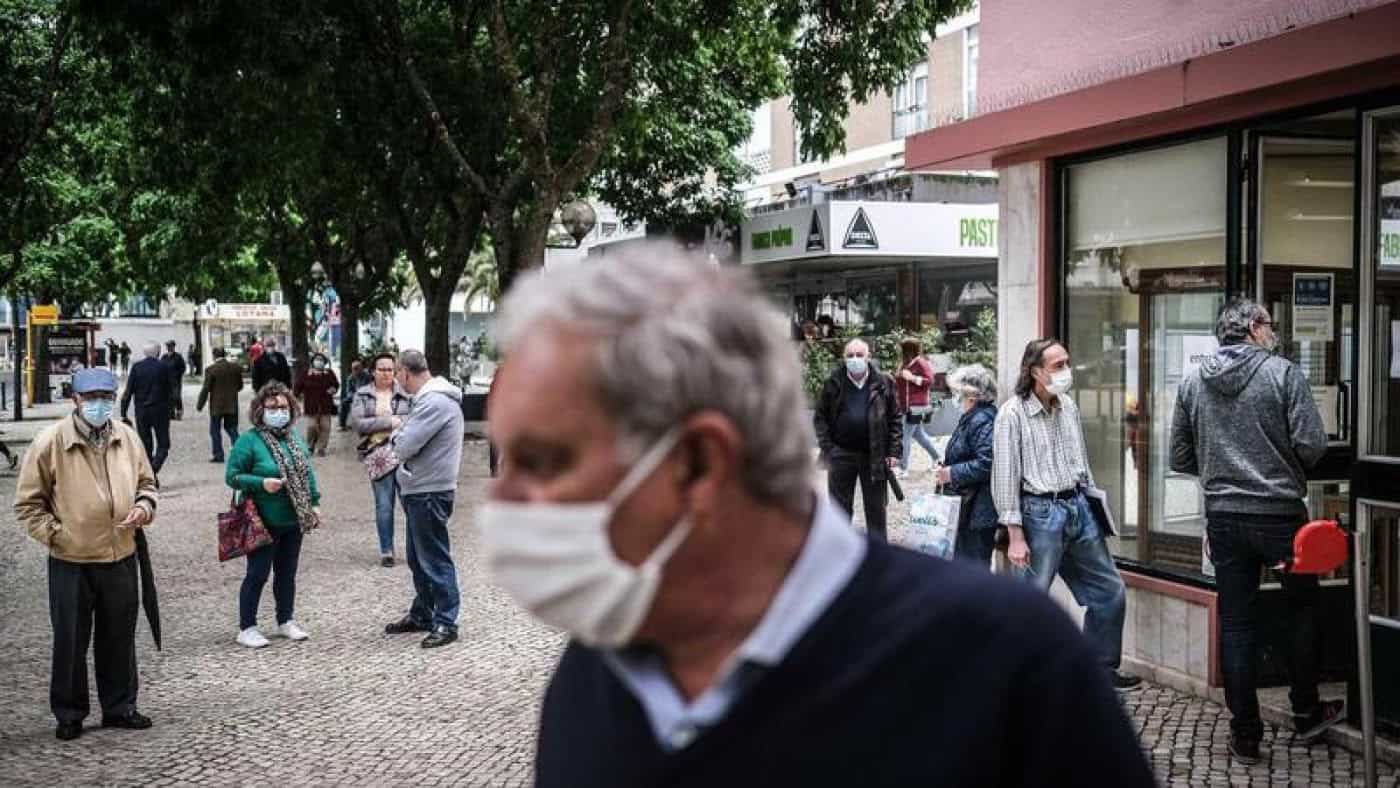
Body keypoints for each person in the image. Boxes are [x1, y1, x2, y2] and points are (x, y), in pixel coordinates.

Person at [481, 257, 1155, 787]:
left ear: (696, 464)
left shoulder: (1005, 662)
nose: (501, 501)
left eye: (543, 460)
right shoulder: (594, 678)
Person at [1170, 299, 1341, 765]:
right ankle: (1306, 711)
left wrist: (1221, 468)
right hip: (1280, 517)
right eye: (1268, 323)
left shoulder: (1193, 381)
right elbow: (1312, 445)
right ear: (1251, 327)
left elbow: (1179, 457)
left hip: (1224, 518)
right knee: (1301, 611)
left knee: (1238, 624)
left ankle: (1246, 734)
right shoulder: (1283, 374)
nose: (1273, 330)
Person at [15, 367, 159, 741]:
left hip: (121, 554)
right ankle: (69, 712)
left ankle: (120, 706)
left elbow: (147, 483)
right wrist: (57, 535)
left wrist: (144, 507)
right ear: (75, 400)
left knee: (119, 638)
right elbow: (28, 504)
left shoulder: (127, 437)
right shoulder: (50, 443)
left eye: (106, 398)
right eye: (91, 398)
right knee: (70, 640)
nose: (99, 404)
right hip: (72, 560)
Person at [992, 338, 1140, 691]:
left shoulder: (1069, 406)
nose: (1066, 371)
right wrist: (1015, 534)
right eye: (1058, 365)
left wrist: (1091, 502)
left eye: (1067, 362)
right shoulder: (1012, 414)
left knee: (1110, 592)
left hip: (1077, 508)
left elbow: (1081, 461)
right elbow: (1005, 475)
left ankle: (1099, 670)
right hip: (1038, 513)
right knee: (1030, 601)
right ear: (1035, 372)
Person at [224, 382, 321, 649]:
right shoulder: (249, 441)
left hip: (293, 519)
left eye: (283, 407)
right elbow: (232, 476)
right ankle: (247, 626)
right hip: (262, 520)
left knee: (287, 573)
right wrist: (260, 483)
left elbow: (307, 473)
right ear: (259, 411)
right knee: (257, 574)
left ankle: (285, 619)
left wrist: (314, 503)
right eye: (271, 407)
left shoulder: (295, 439)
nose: (278, 411)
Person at [383, 349, 464, 649]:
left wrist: (395, 434)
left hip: (429, 490)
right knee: (419, 558)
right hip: (422, 488)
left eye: (397, 374)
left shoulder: (433, 401)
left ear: (405, 372)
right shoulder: (433, 400)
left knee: (433, 558)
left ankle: (446, 621)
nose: (396, 381)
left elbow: (404, 445)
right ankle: (424, 612)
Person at [812, 338, 900, 542]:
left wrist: (894, 451)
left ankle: (879, 560)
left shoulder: (883, 382)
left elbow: (895, 417)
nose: (855, 359)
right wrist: (829, 449)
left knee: (876, 510)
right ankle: (839, 554)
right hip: (841, 454)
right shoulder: (833, 382)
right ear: (844, 358)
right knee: (839, 511)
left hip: (874, 455)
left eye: (859, 355)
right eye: (850, 355)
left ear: (869, 357)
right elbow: (820, 418)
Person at [935, 364, 1000, 567]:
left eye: (957, 393)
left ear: (971, 395)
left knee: (974, 568)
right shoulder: (972, 417)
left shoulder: (982, 420)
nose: (955, 398)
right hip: (967, 508)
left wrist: (952, 473)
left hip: (977, 512)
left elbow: (987, 462)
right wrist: (947, 465)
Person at [352, 352, 413, 567]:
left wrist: (388, 422)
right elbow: (359, 424)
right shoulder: (363, 394)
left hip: (404, 454)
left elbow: (414, 420)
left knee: (411, 504)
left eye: (390, 369)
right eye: (382, 369)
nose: (386, 373)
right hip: (377, 454)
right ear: (373, 371)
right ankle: (387, 550)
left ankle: (415, 549)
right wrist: (391, 421)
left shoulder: (406, 393)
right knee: (384, 505)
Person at [119, 342, 171, 474]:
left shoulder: (137, 367)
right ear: (157, 352)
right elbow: (170, 389)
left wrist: (123, 412)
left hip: (141, 411)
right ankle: (153, 470)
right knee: (163, 444)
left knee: (145, 444)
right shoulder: (164, 367)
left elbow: (128, 391)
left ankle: (149, 473)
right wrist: (174, 407)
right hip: (160, 410)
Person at [894, 337, 938, 476]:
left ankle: (903, 468)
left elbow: (930, 380)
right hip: (906, 406)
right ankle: (938, 458)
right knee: (919, 435)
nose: (899, 351)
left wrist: (912, 378)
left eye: (901, 349)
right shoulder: (905, 364)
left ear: (908, 349)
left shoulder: (920, 362)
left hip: (916, 406)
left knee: (904, 436)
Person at [197, 346, 244, 463]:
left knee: (215, 431)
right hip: (231, 404)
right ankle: (241, 452)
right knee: (232, 429)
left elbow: (206, 389)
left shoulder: (211, 370)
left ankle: (218, 454)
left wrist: (200, 405)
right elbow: (240, 386)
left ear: (214, 356)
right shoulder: (235, 368)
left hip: (216, 406)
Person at [293, 352, 339, 457]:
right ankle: (310, 446)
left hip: (325, 405)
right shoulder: (306, 373)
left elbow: (335, 384)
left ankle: (322, 447)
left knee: (325, 427)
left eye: (321, 360)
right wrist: (296, 396)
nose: (319, 361)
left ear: (325, 362)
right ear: (313, 361)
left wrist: (334, 389)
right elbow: (297, 387)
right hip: (311, 405)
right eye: (317, 359)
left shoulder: (329, 373)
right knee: (311, 427)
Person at [339, 358, 372, 431]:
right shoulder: (350, 378)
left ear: (361, 368)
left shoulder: (368, 376)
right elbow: (349, 391)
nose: (355, 370)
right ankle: (342, 425)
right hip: (355, 396)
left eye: (357, 368)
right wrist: (354, 396)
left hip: (366, 396)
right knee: (344, 403)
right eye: (354, 368)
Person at [161, 340, 187, 421]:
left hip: (176, 381)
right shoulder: (164, 357)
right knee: (168, 397)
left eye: (170, 346)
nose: (169, 348)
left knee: (176, 397)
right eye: (168, 346)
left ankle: (179, 412)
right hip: (166, 381)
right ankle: (171, 413)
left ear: (173, 347)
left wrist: (177, 374)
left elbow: (183, 368)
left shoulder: (178, 357)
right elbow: (160, 367)